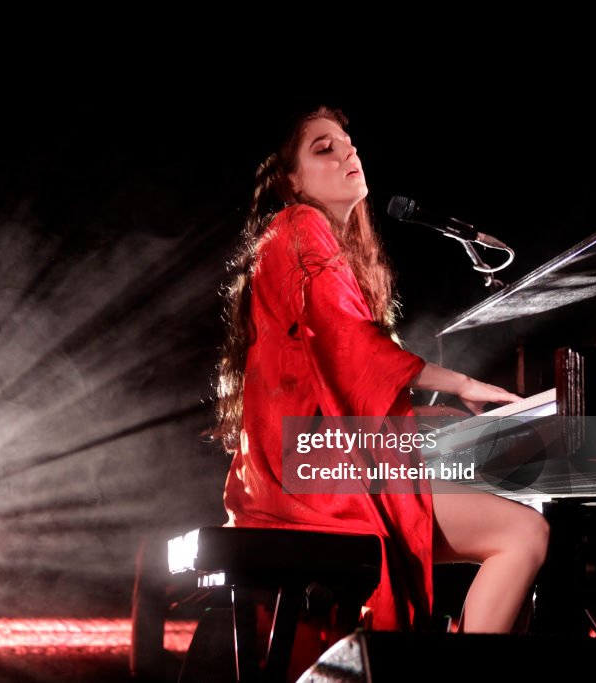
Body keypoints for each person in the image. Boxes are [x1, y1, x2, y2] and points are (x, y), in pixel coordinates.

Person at [214, 106, 549, 634]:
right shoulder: (298, 225)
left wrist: (442, 425)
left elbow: (349, 383)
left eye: (348, 143)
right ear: (291, 181)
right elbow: (352, 348)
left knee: (503, 502)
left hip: (304, 466)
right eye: (324, 149)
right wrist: (463, 384)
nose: (348, 152)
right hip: (309, 476)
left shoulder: (317, 242)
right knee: (524, 532)